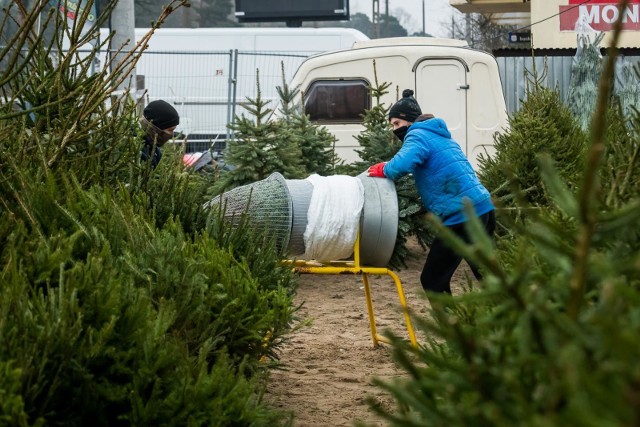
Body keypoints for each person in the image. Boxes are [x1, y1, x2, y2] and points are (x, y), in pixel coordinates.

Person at [368, 89, 496, 296]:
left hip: (461, 216)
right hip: (483, 208)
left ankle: (454, 326)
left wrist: (384, 169)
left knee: (432, 280)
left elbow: (402, 165)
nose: (394, 130)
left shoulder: (417, 135)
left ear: (409, 121)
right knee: (487, 273)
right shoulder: (440, 136)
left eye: (397, 124)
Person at [139, 99, 180, 169]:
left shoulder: (155, 150)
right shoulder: (138, 150)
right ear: (155, 129)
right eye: (170, 130)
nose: (171, 135)